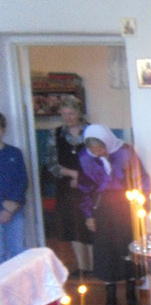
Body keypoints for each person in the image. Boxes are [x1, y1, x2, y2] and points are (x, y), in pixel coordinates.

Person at [77, 124, 149, 305]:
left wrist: (143, 204)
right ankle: (110, 297)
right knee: (106, 251)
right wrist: (88, 215)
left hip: (126, 206)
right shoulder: (85, 158)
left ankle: (131, 294)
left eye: (100, 149)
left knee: (128, 247)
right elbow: (84, 190)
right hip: (102, 209)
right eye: (93, 150)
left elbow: (141, 178)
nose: (97, 153)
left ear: (107, 143)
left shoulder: (125, 153)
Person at [45, 96, 93, 277]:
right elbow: (51, 163)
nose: (68, 117)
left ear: (79, 113)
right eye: (64, 114)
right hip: (67, 188)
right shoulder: (55, 134)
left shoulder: (91, 131)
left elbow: (99, 161)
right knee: (74, 227)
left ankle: (95, 267)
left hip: (90, 187)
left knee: (90, 225)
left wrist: (82, 178)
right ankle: (83, 268)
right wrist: (73, 174)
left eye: (71, 113)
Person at [0, 113, 28, 262]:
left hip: (15, 209)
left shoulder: (14, 153)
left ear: (3, 130)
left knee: (18, 250)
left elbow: (22, 180)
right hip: (4, 205)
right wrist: (3, 203)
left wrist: (11, 206)